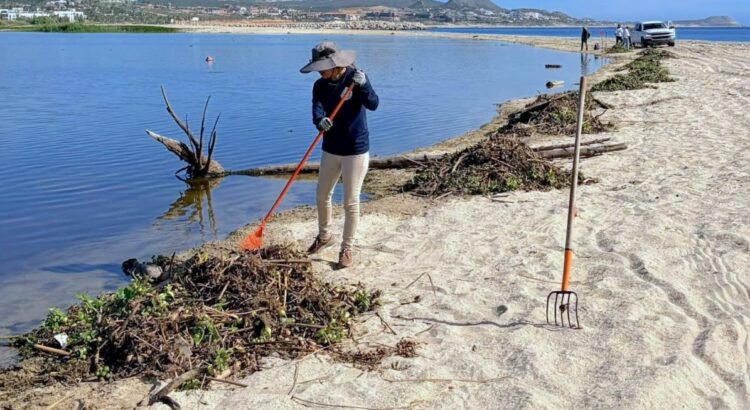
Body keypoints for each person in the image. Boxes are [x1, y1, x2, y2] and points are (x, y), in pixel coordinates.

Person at [299, 42, 379, 268]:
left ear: (335, 65)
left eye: (322, 68)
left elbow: (373, 104)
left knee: (350, 202)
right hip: (331, 147)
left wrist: (364, 86)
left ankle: (347, 247)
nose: (320, 73)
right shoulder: (320, 85)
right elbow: (317, 110)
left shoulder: (356, 78)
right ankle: (324, 236)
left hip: (355, 149)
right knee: (322, 195)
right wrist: (320, 121)